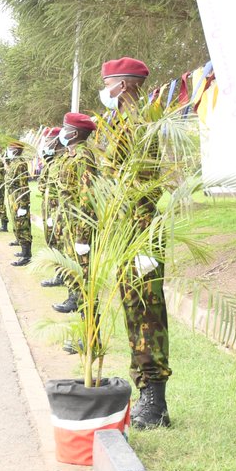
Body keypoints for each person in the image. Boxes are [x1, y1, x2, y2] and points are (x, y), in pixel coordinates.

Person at [98, 56, 172, 429]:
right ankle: (147, 397)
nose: (105, 92)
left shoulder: (138, 124)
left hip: (140, 232)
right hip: (129, 232)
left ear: (123, 86)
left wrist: (141, 243)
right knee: (135, 314)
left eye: (108, 84)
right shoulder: (122, 123)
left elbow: (141, 184)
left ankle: (155, 404)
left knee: (147, 317)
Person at [53, 113, 98, 315]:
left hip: (79, 225)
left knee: (84, 278)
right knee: (74, 272)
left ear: (74, 133)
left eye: (65, 128)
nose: (62, 132)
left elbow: (86, 197)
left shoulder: (83, 156)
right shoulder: (70, 155)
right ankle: (73, 300)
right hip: (68, 223)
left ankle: (90, 338)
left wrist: (83, 236)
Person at [37, 127, 66, 288]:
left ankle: (62, 276)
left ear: (56, 142)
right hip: (50, 208)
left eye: (47, 141)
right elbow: (43, 185)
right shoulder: (51, 162)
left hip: (58, 211)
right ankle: (59, 274)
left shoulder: (61, 162)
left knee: (60, 245)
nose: (45, 145)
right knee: (52, 243)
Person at [7, 140, 33, 267]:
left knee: (23, 226)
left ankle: (27, 255)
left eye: (10, 148)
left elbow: (24, 186)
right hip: (13, 197)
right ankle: (23, 251)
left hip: (19, 197)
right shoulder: (13, 163)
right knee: (17, 223)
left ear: (16, 150)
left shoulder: (21, 164)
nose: (8, 151)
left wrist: (23, 205)